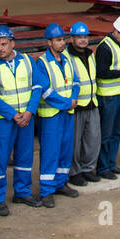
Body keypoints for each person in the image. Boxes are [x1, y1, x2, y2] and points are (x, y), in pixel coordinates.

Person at [0, 26, 40, 215]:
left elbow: (37, 87)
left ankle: (22, 192)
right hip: (5, 121)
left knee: (24, 156)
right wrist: (14, 115)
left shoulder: (27, 61)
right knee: (0, 158)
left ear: (13, 44)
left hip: (26, 118)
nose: (0, 48)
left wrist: (30, 112)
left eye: (4, 44)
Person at [33, 23, 81, 207]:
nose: (62, 43)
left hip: (67, 113)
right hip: (51, 116)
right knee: (50, 152)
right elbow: (46, 92)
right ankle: (46, 190)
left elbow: (75, 83)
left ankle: (61, 183)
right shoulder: (42, 63)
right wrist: (68, 103)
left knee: (65, 150)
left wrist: (73, 99)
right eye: (58, 40)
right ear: (49, 42)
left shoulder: (67, 60)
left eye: (63, 39)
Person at [94, 14, 120, 179]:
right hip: (108, 97)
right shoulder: (105, 47)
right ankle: (103, 167)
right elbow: (102, 72)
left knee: (116, 132)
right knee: (106, 134)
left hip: (118, 95)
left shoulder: (119, 45)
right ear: (116, 31)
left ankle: (111, 163)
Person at [65, 21, 102, 186]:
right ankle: (74, 172)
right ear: (72, 38)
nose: (83, 40)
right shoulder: (67, 57)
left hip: (92, 103)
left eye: (85, 37)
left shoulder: (90, 54)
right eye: (79, 37)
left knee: (92, 139)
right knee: (75, 142)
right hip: (76, 106)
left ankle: (88, 169)